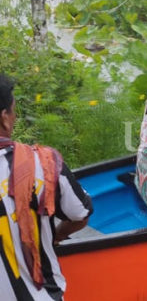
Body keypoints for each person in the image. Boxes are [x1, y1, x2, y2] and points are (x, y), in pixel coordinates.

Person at [0, 74, 93, 300]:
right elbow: (80, 214)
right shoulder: (43, 163)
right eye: (14, 110)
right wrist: (55, 236)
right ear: (4, 117)